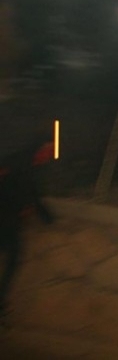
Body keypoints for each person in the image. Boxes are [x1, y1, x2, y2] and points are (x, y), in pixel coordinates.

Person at [0, 136, 56, 317]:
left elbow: (31, 195)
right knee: (13, 256)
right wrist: (20, 207)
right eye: (49, 153)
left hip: (10, 219)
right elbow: (15, 188)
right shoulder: (18, 162)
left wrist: (46, 217)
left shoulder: (28, 165)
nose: (48, 158)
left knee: (13, 257)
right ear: (41, 149)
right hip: (6, 217)